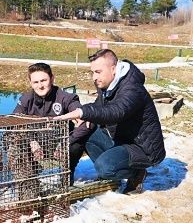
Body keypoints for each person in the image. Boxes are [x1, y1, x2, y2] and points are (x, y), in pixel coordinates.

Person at [54, 49, 165, 193]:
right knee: (86, 129)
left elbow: (117, 112)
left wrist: (83, 112)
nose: (94, 77)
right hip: (122, 140)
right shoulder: (107, 84)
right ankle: (110, 171)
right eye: (92, 72)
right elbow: (99, 105)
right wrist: (88, 117)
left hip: (142, 148)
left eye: (98, 72)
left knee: (105, 168)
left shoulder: (132, 88)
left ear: (113, 69)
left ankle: (136, 173)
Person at [13, 62, 92, 184]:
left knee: (79, 139)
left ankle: (67, 174)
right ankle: (28, 179)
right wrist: (31, 141)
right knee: (15, 140)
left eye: (43, 80)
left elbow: (83, 119)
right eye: (36, 82)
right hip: (36, 143)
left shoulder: (66, 97)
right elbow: (14, 123)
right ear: (31, 83)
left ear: (52, 78)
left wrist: (65, 142)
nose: (40, 86)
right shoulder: (25, 100)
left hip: (60, 143)